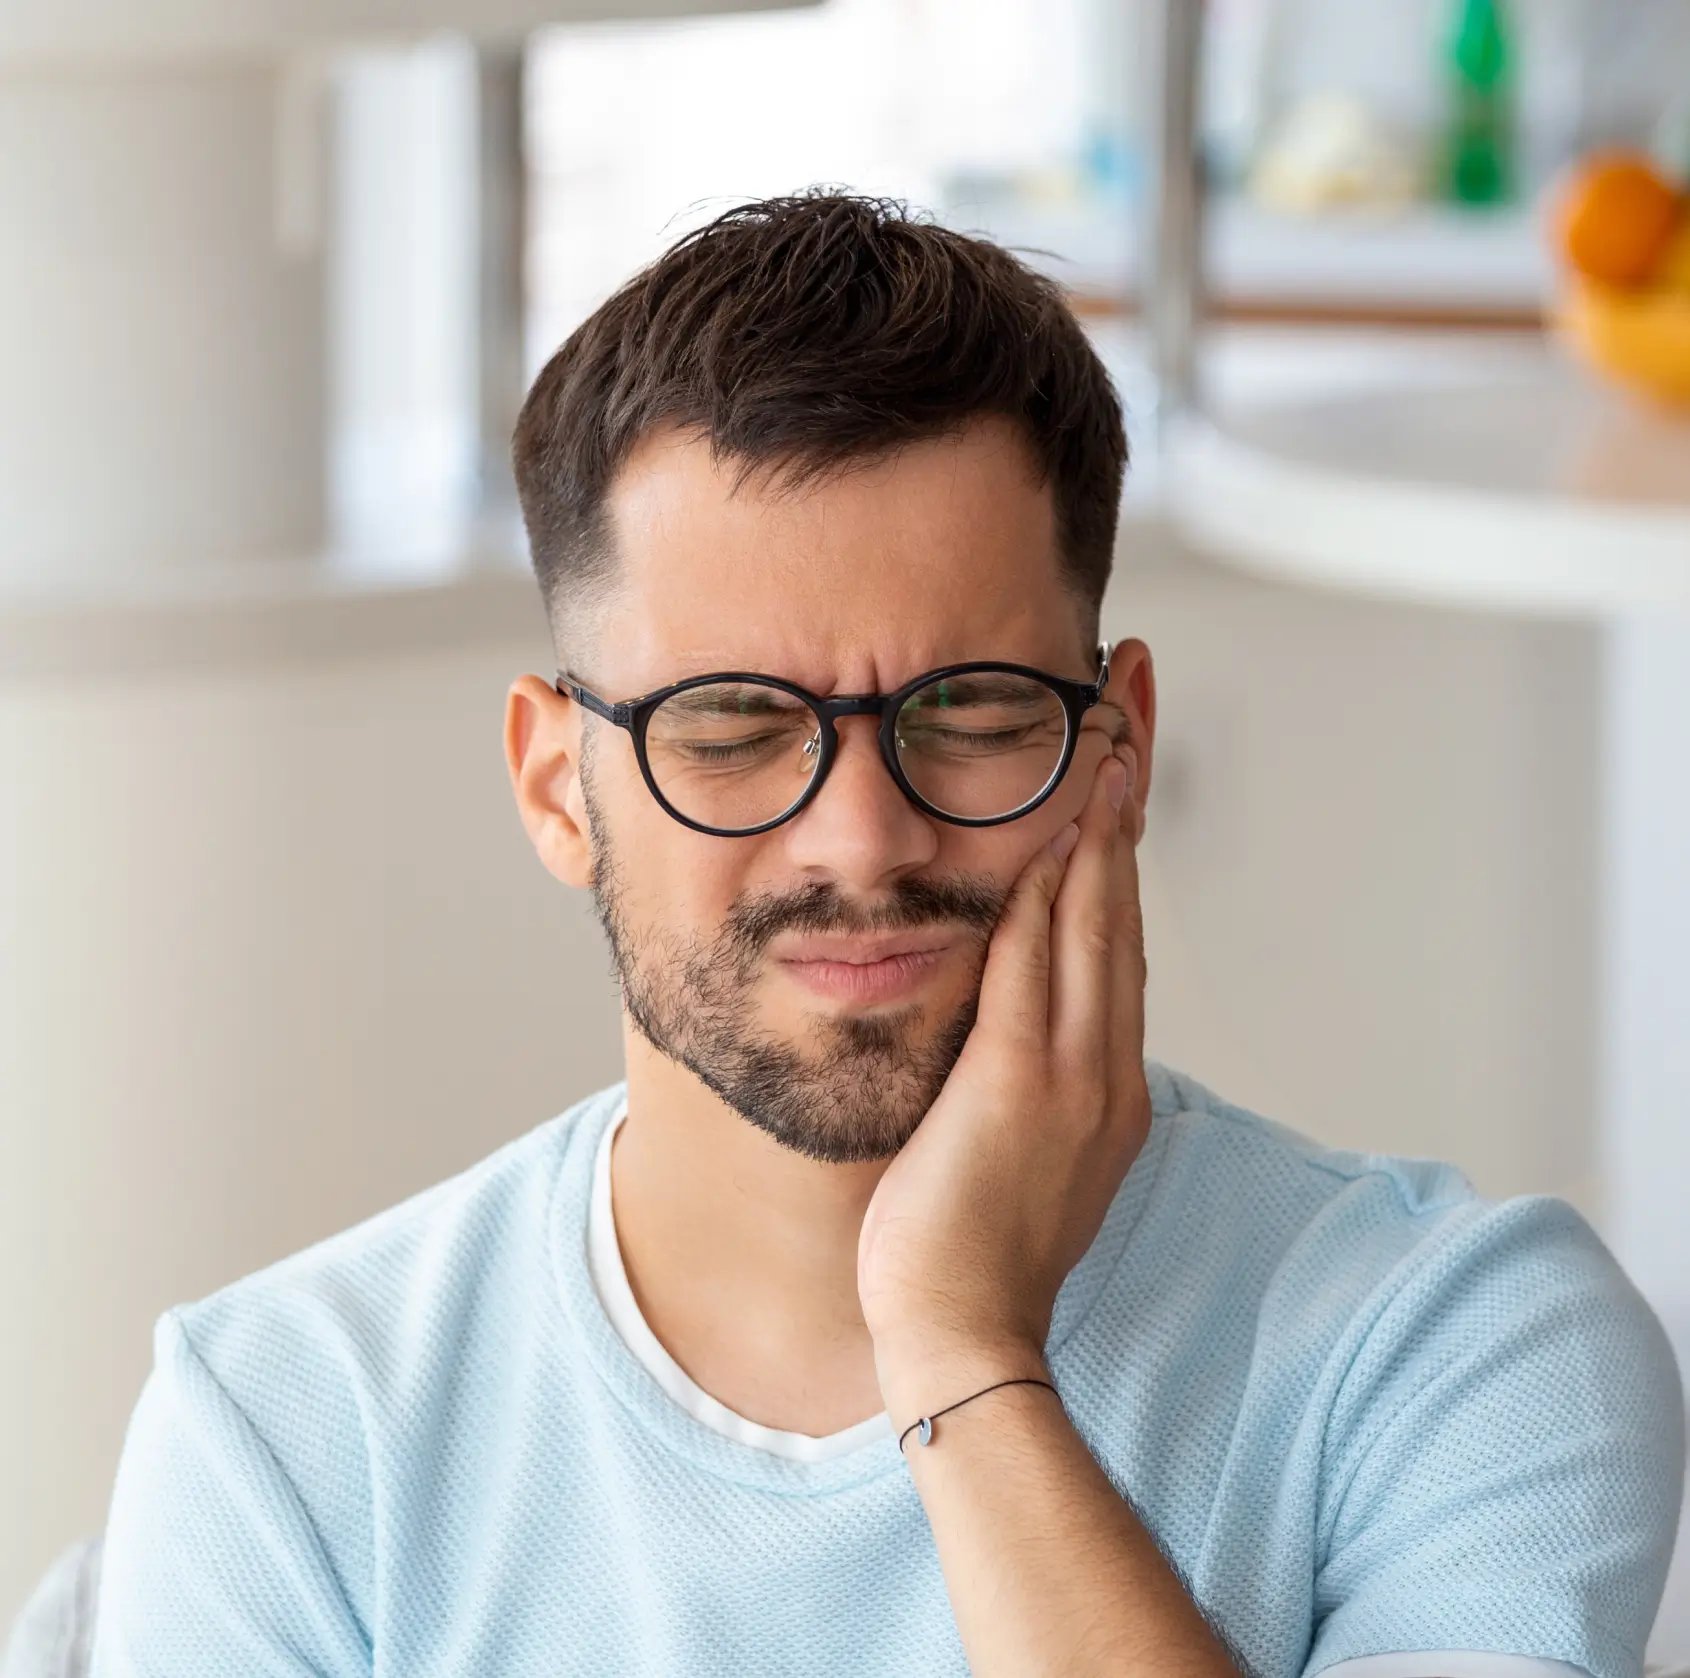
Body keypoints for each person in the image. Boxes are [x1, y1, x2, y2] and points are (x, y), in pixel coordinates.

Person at [89, 193, 1683, 1678]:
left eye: (972, 711)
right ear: (554, 785)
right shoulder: (289, 1434)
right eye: (728, 725)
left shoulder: (1456, 1347)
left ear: (1115, 745)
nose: (860, 837)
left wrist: (957, 1344)